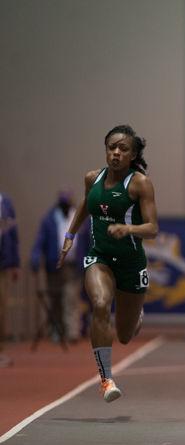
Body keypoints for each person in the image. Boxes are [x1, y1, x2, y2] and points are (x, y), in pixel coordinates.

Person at [58, 125, 158, 402]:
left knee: (124, 335)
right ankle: (106, 380)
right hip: (99, 256)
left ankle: (136, 317)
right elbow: (85, 206)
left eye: (123, 149)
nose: (115, 153)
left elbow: (152, 228)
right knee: (101, 303)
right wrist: (70, 235)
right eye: (111, 147)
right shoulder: (93, 178)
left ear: (133, 154)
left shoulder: (139, 183)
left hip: (130, 262)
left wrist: (128, 230)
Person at [31, 190, 85, 344]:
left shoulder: (80, 217)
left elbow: (87, 241)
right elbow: (40, 240)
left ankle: (72, 331)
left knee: (71, 298)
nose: (65, 207)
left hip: (73, 265)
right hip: (54, 265)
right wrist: (35, 257)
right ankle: (57, 330)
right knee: (55, 299)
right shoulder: (49, 219)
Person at [0, 192, 20, 367]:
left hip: (2, 264)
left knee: (1, 308)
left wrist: (15, 263)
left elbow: (13, 236)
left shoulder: (6, 203)